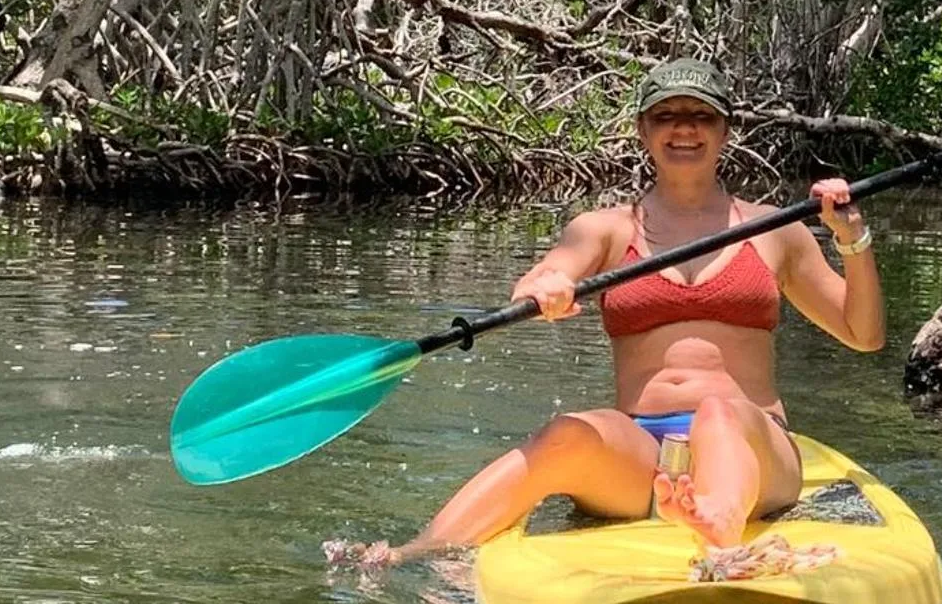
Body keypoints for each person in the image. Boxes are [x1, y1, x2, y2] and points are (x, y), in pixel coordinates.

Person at [343, 57, 884, 564]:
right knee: (565, 434)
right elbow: (544, 275)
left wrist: (852, 239)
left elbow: (863, 334)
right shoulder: (605, 229)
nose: (684, 129)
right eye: (666, 116)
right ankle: (413, 554)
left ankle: (719, 532)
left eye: (701, 116)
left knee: (720, 411)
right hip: (643, 451)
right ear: (644, 132)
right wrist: (551, 285)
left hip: (753, 443)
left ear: (724, 131)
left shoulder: (776, 229)